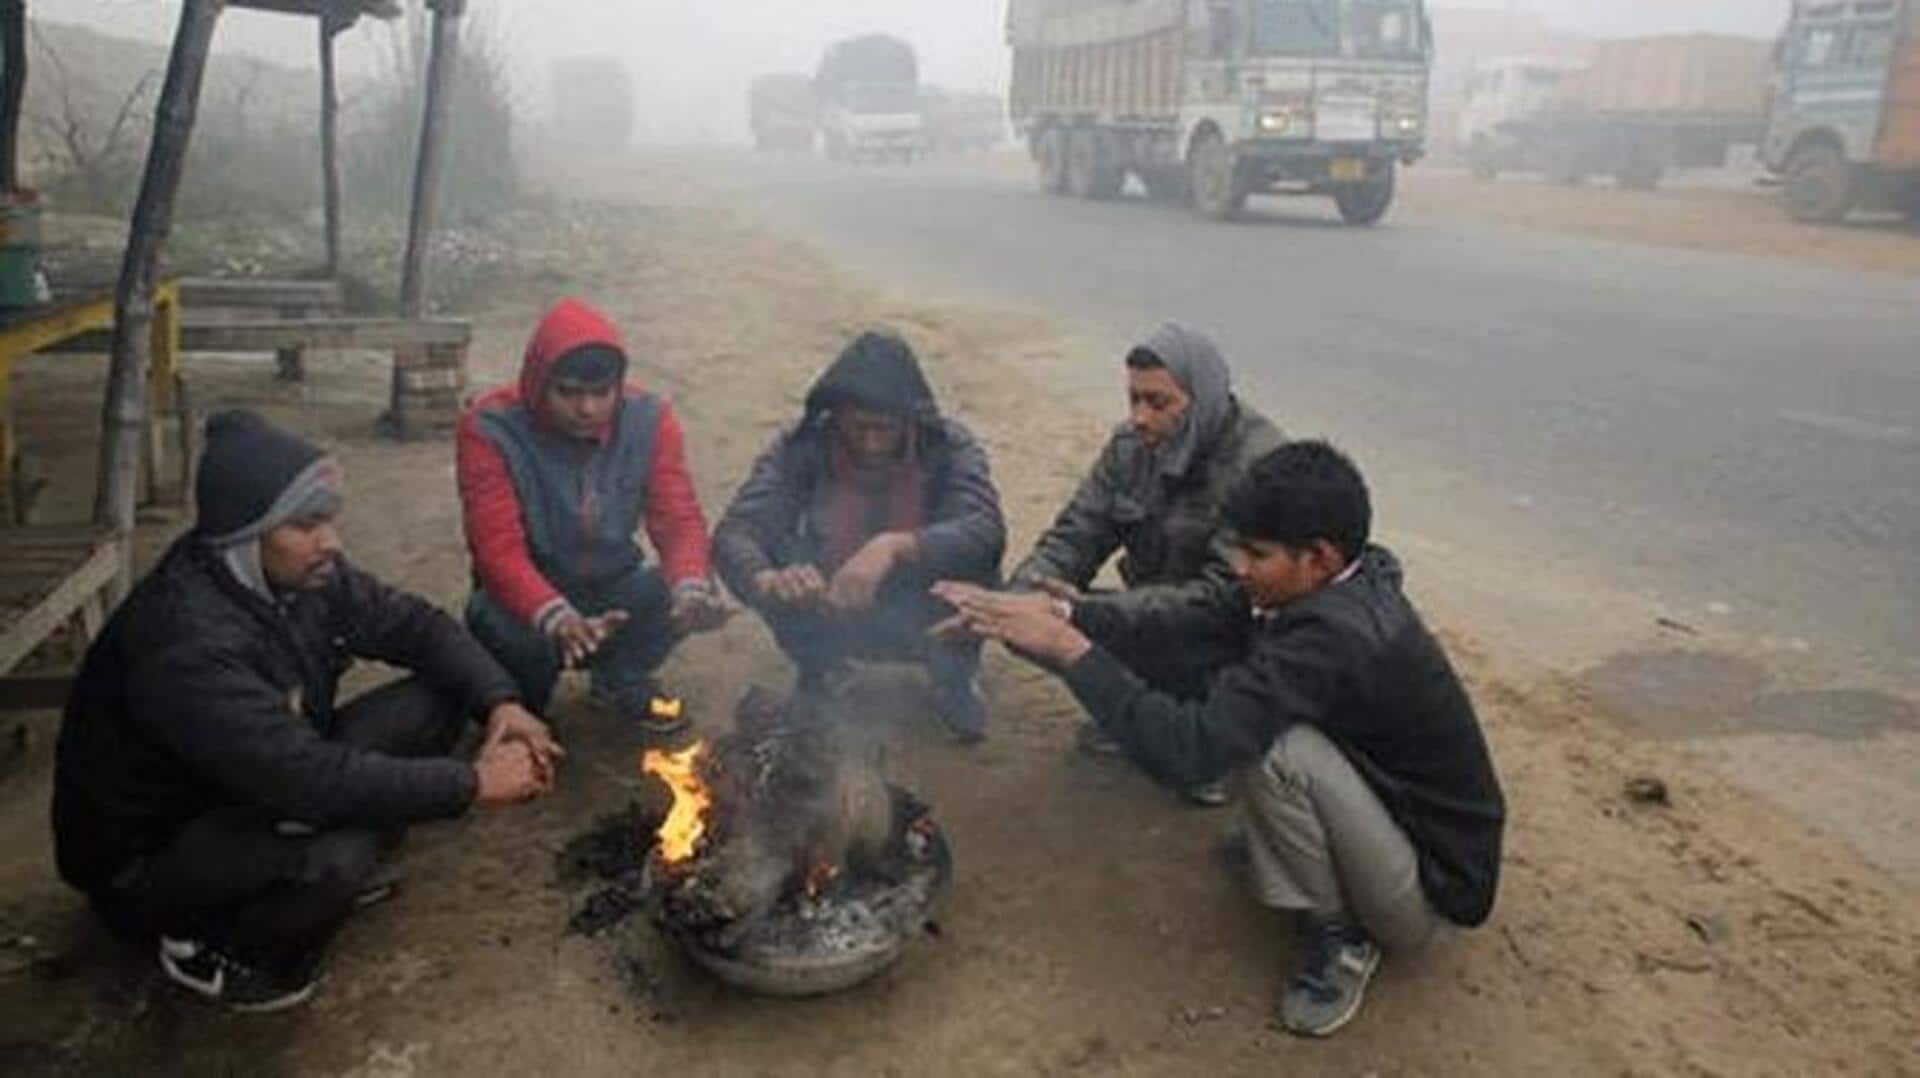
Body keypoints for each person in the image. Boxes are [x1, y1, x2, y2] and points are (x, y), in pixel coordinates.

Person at [938, 441, 1506, 1037]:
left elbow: (1190, 753)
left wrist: (1071, 654)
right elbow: (1190, 618)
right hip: (1393, 817)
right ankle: (1308, 857)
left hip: (1430, 890)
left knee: (1269, 748)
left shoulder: (1334, 637)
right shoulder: (1329, 586)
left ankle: (1342, 936)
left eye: (1256, 554)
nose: (1239, 566)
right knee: (1244, 703)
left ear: (1319, 556)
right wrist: (1068, 614)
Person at [54, 411, 556, 1013]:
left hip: (262, 776)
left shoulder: (305, 577)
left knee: (441, 696)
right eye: (307, 523)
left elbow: (414, 625)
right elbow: (309, 780)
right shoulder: (187, 644)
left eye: (329, 520)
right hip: (155, 853)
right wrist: (474, 782)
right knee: (338, 863)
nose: (331, 542)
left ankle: (329, 839)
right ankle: (214, 948)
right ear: (246, 534)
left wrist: (501, 701)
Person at [1008, 322, 1283, 804]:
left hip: (1226, 637)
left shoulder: (1258, 464)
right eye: (1133, 399)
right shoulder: (1129, 450)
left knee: (1081, 625)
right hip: (1151, 612)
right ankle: (1135, 718)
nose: (1139, 417)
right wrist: (1020, 596)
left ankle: (1205, 746)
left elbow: (1225, 600)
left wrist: (1086, 614)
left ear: (1201, 398)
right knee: (1027, 621)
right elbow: (1076, 534)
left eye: (1159, 403)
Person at [712, 330, 1006, 742]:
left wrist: (894, 547)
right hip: (831, 600)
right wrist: (769, 580)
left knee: (978, 567)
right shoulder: (802, 446)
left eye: (883, 429)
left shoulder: (950, 446)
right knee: (780, 569)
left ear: (909, 420)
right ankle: (823, 670)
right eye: (858, 427)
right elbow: (736, 532)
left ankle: (952, 680)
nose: (870, 443)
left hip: (924, 602)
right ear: (836, 416)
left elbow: (985, 530)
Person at [457, 298, 729, 733]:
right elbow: (496, 548)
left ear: (618, 387)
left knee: (678, 586)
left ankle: (621, 679)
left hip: (611, 584)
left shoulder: (649, 420)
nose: (587, 409)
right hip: (525, 596)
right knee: (507, 628)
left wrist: (690, 589)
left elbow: (677, 519)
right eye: (568, 392)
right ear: (537, 382)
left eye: (601, 393)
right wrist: (557, 616)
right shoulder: (490, 428)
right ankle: (523, 712)